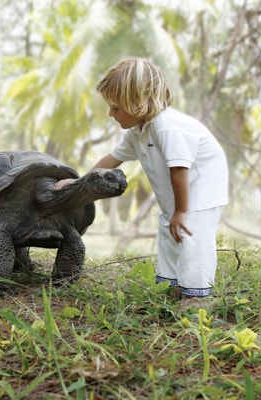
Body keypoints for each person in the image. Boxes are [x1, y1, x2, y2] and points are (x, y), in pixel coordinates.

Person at [55, 57, 229, 308]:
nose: (110, 114)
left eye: (116, 108)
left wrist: (181, 211)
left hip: (201, 189)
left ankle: (196, 296)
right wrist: (79, 182)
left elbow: (180, 168)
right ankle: (174, 284)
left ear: (138, 103)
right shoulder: (137, 133)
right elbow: (112, 159)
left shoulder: (166, 126)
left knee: (191, 235)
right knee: (168, 231)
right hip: (178, 195)